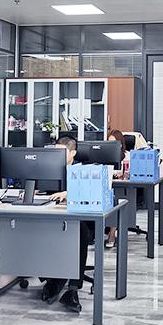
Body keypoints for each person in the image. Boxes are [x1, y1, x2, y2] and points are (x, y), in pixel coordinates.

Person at [43, 136, 93, 313]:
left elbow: (89, 191)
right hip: (54, 215)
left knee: (80, 232)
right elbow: (44, 188)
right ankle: (53, 279)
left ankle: (72, 289)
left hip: (80, 217)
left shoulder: (83, 170)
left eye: (62, 152)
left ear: (73, 153)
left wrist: (67, 192)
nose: (57, 156)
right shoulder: (50, 168)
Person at [105, 129, 128, 248]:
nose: (111, 145)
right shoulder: (104, 155)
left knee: (116, 199)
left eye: (114, 142)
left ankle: (112, 233)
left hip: (124, 189)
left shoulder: (127, 156)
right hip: (108, 185)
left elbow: (128, 172)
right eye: (109, 142)